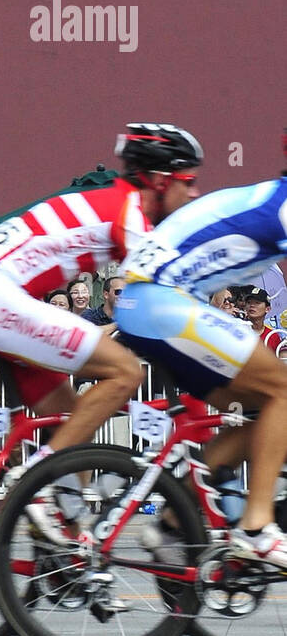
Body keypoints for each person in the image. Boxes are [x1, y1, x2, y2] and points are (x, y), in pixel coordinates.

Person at [0, 123, 203, 478]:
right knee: (126, 372)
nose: (194, 193)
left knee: (74, 430)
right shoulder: (129, 213)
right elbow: (163, 295)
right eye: (187, 181)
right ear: (161, 181)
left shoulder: (114, 201)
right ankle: (33, 476)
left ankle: (53, 519)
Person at [111, 140, 287, 566]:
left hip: (146, 304)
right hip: (163, 303)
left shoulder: (267, 196)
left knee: (263, 412)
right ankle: (257, 527)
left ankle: (171, 520)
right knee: (283, 391)